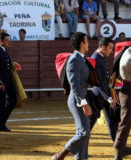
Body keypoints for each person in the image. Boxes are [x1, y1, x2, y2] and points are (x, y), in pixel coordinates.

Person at [52, 32, 92, 160]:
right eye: (87, 41)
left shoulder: (80, 58)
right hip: (77, 100)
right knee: (84, 132)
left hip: (81, 97)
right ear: (82, 44)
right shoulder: (74, 59)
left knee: (83, 132)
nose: (88, 43)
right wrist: (83, 102)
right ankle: (61, 154)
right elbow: (74, 83)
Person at [89, 38, 118, 141]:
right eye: (110, 48)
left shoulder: (100, 57)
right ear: (103, 47)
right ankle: (80, 146)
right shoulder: (96, 58)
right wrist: (108, 97)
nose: (111, 51)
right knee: (91, 121)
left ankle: (118, 145)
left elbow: (103, 78)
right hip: (98, 95)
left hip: (104, 94)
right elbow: (98, 82)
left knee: (112, 119)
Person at [0, 32, 16, 132]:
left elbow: (7, 63)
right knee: (1, 103)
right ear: (0, 41)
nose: (8, 42)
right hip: (1, 81)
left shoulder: (4, 49)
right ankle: (0, 125)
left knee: (13, 99)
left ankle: (0, 121)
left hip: (8, 79)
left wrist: (12, 65)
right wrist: (0, 82)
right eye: (6, 40)